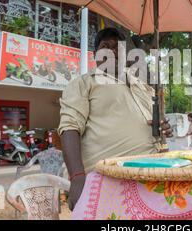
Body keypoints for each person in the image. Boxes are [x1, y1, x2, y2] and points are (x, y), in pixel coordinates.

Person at [58, 27, 172, 211]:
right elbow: (69, 128)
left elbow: (154, 123)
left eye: (117, 47)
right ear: (96, 55)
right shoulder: (84, 83)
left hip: (153, 174)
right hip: (109, 178)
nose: (111, 50)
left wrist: (164, 126)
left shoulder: (143, 86)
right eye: (105, 46)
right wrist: (77, 177)